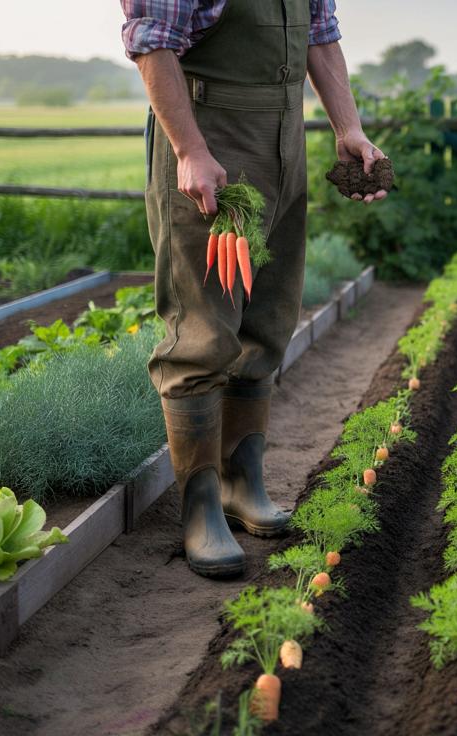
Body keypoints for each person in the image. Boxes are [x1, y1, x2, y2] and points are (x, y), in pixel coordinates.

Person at [121, 0, 386, 578]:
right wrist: (189, 150)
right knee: (202, 331)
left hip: (283, 144)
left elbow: (319, 31)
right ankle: (201, 507)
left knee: (267, 320)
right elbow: (151, 41)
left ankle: (244, 481)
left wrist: (349, 128)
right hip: (210, 143)